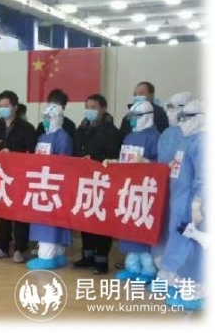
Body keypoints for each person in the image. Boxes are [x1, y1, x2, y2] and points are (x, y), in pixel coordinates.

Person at [156, 99, 205, 310]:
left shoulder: (203, 142)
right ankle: (179, 283)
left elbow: (204, 177)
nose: (182, 121)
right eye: (182, 117)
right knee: (178, 243)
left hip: (193, 206)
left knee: (192, 246)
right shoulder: (186, 140)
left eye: (188, 117)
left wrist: (198, 203)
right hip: (179, 202)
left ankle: (197, 292)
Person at [109, 101, 160, 282]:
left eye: (135, 117)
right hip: (128, 190)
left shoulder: (155, 137)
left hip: (145, 192)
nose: (132, 120)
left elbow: (162, 166)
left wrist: (148, 163)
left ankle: (148, 270)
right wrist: (115, 162)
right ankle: (132, 267)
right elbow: (126, 160)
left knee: (142, 230)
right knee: (129, 229)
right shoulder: (129, 137)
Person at [72, 94, 122, 274]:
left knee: (101, 219)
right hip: (84, 180)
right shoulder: (81, 129)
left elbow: (114, 155)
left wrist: (94, 158)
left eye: (93, 107)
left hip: (103, 182)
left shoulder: (112, 131)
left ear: (103, 109)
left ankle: (101, 259)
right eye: (87, 107)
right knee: (85, 216)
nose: (89, 111)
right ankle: (87, 255)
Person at [0, 90, 37, 263]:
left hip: (20, 176)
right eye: (0, 106)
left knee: (20, 213)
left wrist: (13, 153)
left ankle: (20, 248)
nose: (3, 109)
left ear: (15, 107)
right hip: (1, 176)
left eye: (6, 105)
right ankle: (2, 246)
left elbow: (31, 152)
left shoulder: (26, 128)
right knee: (3, 212)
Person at [26, 104, 74, 270]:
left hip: (54, 185)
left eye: (49, 117)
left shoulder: (63, 138)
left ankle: (47, 257)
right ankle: (57, 255)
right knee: (44, 220)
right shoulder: (42, 137)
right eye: (44, 117)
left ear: (57, 118)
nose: (45, 120)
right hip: (40, 184)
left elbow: (63, 163)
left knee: (50, 222)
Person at [152, 92, 193, 263]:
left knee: (181, 227)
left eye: (173, 107)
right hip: (165, 188)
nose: (169, 112)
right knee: (164, 224)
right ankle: (162, 264)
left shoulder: (194, 136)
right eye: (168, 107)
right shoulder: (166, 134)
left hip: (185, 191)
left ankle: (181, 268)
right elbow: (160, 160)